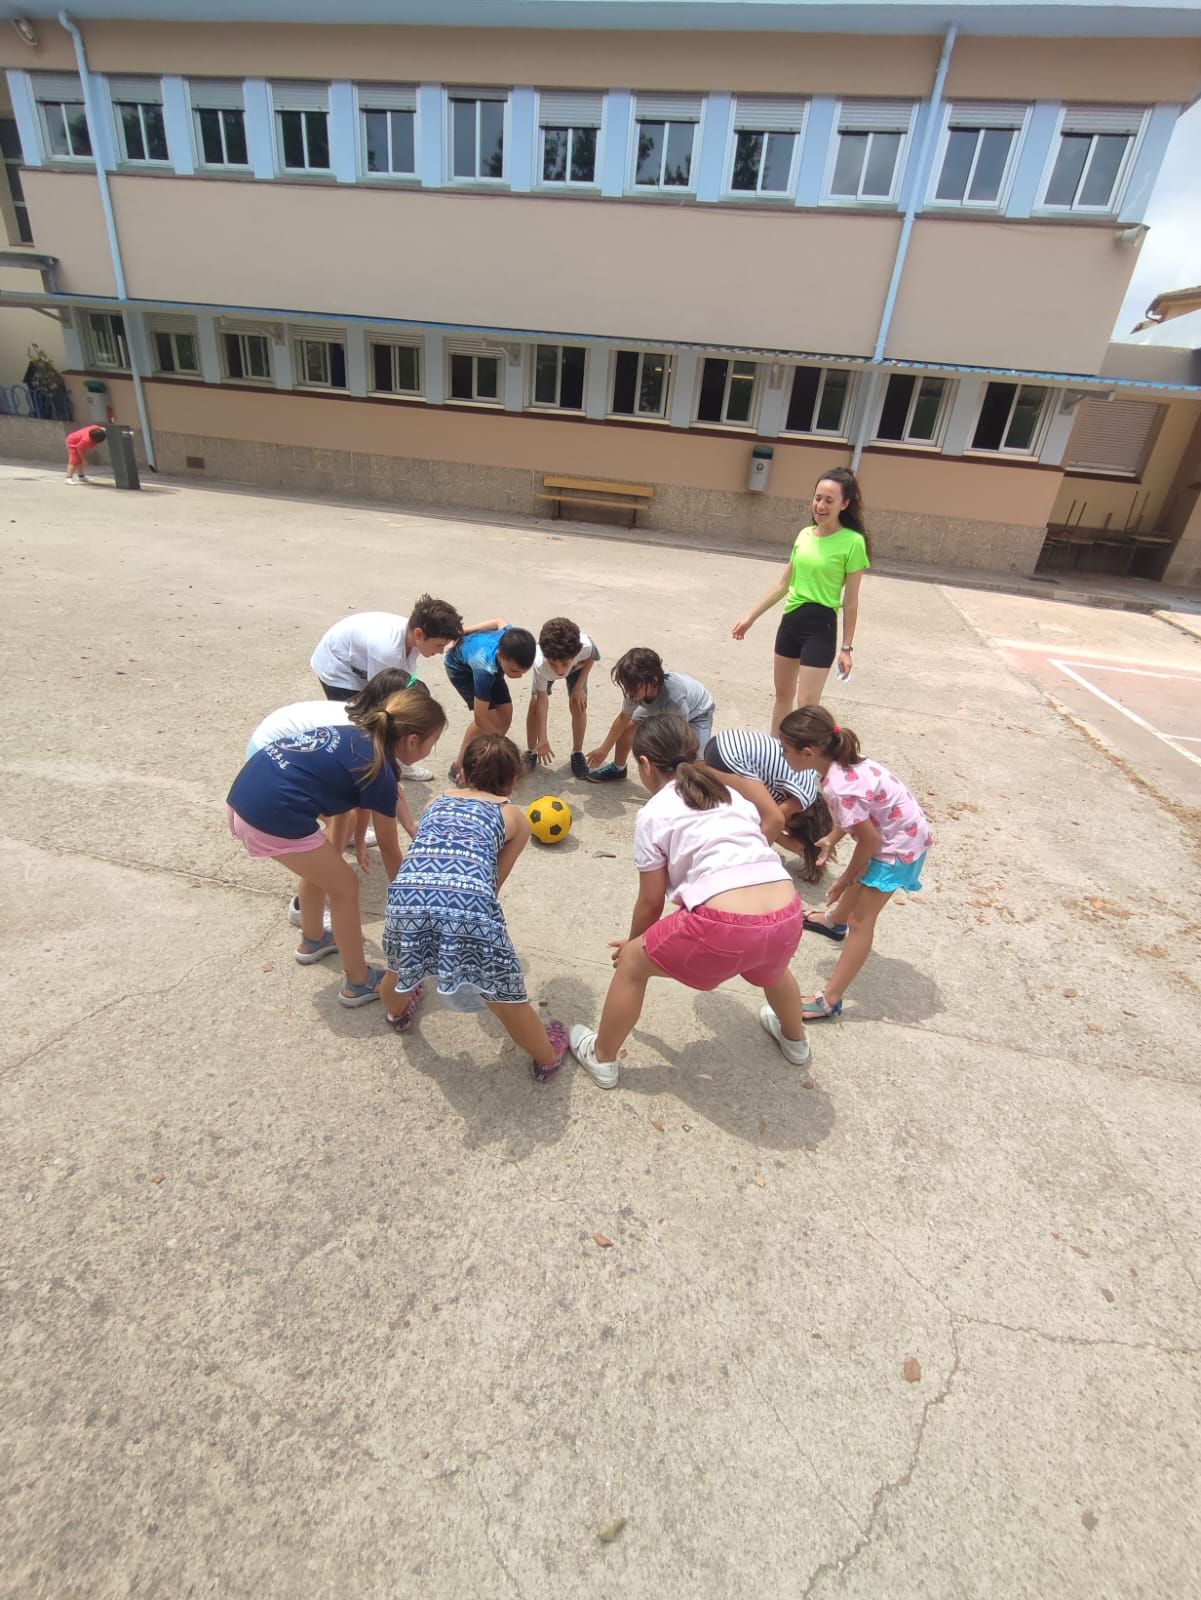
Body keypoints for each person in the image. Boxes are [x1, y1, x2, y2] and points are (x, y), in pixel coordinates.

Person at [569, 715, 811, 1090]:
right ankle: (796, 1041)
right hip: (787, 912)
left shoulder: (654, 812)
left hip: (723, 925)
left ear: (646, 766)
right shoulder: (730, 794)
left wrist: (635, 944)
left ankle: (601, 1057)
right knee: (774, 970)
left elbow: (651, 902)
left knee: (633, 964)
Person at [226, 688, 447, 1007]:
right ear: (412, 740)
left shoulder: (356, 735)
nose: (430, 749)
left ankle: (313, 939)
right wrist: (410, 903)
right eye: (432, 743)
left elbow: (339, 811)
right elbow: (389, 849)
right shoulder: (380, 771)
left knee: (325, 867)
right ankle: (358, 982)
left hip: (246, 796)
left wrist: (340, 846)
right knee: (345, 887)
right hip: (269, 815)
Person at [380, 733, 571, 1082]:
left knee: (399, 967)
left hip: (405, 897)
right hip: (470, 906)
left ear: (463, 774)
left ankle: (398, 1013)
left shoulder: (435, 801)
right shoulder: (513, 815)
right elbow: (492, 883)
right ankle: (546, 1056)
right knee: (503, 999)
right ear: (513, 781)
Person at [777, 705, 931, 1020]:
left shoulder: (837, 786)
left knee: (862, 921)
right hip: (902, 833)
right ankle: (834, 922)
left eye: (785, 749)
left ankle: (830, 999)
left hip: (900, 847)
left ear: (808, 753)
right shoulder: (843, 767)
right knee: (861, 882)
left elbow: (869, 841)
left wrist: (845, 878)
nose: (782, 755)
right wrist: (833, 838)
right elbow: (857, 815)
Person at [246, 668, 422, 927]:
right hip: (269, 759)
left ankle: (335, 859)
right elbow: (379, 821)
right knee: (343, 819)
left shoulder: (367, 722)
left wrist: (364, 838)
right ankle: (306, 903)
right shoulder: (362, 737)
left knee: (347, 814)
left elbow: (370, 790)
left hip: (273, 754)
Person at [732, 468, 871, 734]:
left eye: (829, 500)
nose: (821, 505)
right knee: (782, 696)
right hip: (791, 623)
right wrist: (751, 616)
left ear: (845, 504)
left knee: (807, 706)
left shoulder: (853, 542)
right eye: (818, 498)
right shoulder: (805, 535)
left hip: (821, 628)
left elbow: (851, 601)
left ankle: (805, 768)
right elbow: (784, 584)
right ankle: (773, 756)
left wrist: (847, 648)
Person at [310, 599, 487, 779]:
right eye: (439, 645)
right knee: (361, 721)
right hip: (338, 666)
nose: (441, 652)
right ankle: (364, 769)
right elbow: (384, 701)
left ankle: (397, 761)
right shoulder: (387, 651)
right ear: (419, 634)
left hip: (362, 662)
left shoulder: (414, 638)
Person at [702, 728, 832, 882]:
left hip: (721, 743)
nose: (786, 829)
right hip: (728, 756)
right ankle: (749, 873)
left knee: (755, 811)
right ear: (808, 817)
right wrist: (785, 841)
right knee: (774, 818)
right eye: (790, 828)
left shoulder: (806, 776)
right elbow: (772, 820)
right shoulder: (806, 797)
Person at [585, 647, 715, 784]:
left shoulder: (674, 698)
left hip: (699, 711)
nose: (629, 692)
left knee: (697, 761)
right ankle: (618, 768)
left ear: (654, 680)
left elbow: (680, 735)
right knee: (628, 728)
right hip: (656, 703)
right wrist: (603, 750)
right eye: (626, 686)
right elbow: (623, 718)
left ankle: (697, 790)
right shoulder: (634, 690)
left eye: (633, 687)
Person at [442, 625, 537, 782]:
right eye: (515, 671)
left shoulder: (511, 636)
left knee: (506, 711)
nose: (519, 676)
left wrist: (462, 632)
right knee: (490, 717)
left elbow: (498, 621)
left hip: (495, 666)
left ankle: (494, 757)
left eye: (524, 671)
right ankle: (459, 765)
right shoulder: (484, 669)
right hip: (461, 670)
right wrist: (500, 741)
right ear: (500, 654)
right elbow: (481, 717)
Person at [523, 616, 600, 780]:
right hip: (545, 673)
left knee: (578, 703)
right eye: (554, 664)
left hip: (577, 668)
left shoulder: (585, 647)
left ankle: (577, 753)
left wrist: (579, 687)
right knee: (535, 703)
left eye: (563, 663)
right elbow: (543, 700)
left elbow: (592, 657)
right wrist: (543, 738)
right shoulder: (540, 663)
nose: (559, 670)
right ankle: (532, 750)